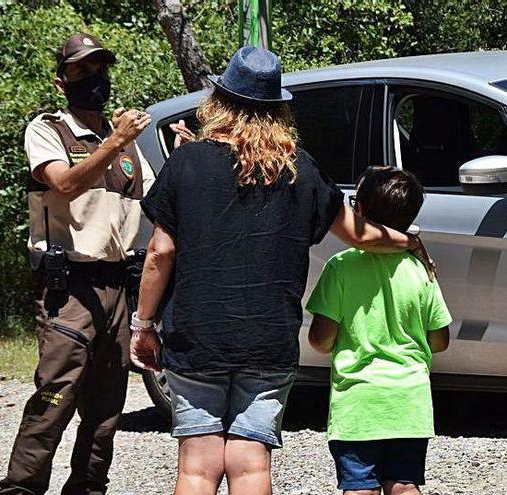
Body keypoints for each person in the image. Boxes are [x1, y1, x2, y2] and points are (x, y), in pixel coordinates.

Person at [129, 47, 431, 495]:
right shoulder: (300, 170)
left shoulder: (187, 163)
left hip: (197, 334)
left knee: (197, 467)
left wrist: (144, 324)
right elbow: (360, 235)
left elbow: (160, 252)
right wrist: (409, 240)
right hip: (268, 338)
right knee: (251, 464)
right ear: (279, 110)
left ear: (220, 102)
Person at [0, 33, 156, 495]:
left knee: (108, 404)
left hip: (116, 285)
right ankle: (22, 487)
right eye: (82, 71)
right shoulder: (48, 129)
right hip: (70, 288)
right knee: (55, 394)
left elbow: (152, 197)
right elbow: (63, 184)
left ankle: (88, 486)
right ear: (61, 81)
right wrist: (115, 140)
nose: (94, 79)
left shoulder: (126, 145)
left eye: (99, 69)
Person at [307, 166, 452, 495]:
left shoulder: (341, 267)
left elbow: (320, 339)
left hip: (358, 402)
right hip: (410, 401)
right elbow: (440, 339)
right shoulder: (421, 270)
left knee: (360, 487)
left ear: (360, 213)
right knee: (403, 485)